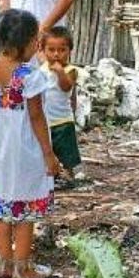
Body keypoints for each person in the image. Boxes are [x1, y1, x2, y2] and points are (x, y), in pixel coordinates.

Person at [0, 9, 59, 278]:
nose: (38, 45)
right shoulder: (29, 75)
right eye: (35, 39)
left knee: (0, 210)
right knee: (24, 211)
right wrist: (48, 155)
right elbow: (36, 116)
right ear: (20, 42)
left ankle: (5, 265)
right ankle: (23, 267)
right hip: (24, 151)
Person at [40, 26, 82, 186]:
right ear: (43, 50)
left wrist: (60, 73)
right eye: (51, 50)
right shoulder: (41, 69)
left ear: (69, 50)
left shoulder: (70, 70)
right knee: (48, 149)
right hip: (46, 119)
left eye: (62, 50)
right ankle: (53, 173)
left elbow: (66, 87)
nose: (56, 54)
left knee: (66, 150)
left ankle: (69, 175)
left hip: (63, 119)